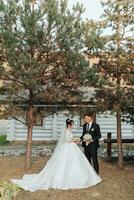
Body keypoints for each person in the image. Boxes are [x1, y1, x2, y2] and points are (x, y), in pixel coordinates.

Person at [11, 119, 101, 192]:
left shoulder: (68, 130)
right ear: (69, 125)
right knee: (67, 162)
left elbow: (70, 139)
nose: (72, 125)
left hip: (71, 147)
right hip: (68, 147)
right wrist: (75, 140)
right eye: (72, 124)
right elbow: (67, 140)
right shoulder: (66, 131)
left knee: (75, 162)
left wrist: (76, 139)